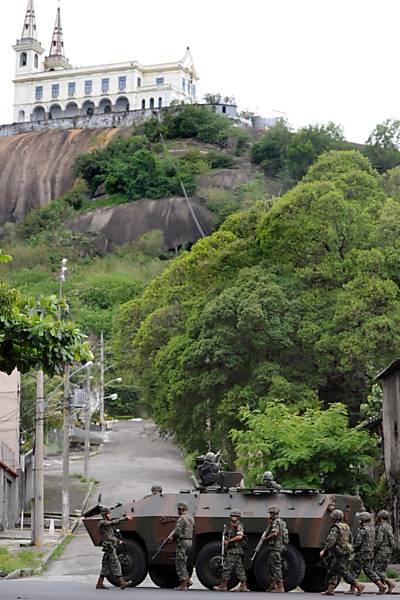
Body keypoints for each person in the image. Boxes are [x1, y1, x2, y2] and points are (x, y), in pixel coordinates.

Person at [320, 509, 365, 596]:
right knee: (333, 570)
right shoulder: (346, 526)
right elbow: (351, 538)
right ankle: (330, 590)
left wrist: (324, 550)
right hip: (345, 552)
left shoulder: (335, 527)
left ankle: (358, 586)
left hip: (339, 553)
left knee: (343, 571)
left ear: (334, 518)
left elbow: (331, 541)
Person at [96, 506, 134, 590]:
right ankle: (122, 582)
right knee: (116, 563)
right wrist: (125, 519)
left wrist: (117, 540)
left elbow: (111, 535)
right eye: (108, 513)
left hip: (111, 545)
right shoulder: (102, 523)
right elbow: (113, 523)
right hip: (109, 547)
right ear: (104, 515)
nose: (110, 515)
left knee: (106, 565)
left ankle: (100, 583)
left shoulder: (107, 523)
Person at [350, 512, 386, 594]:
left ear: (363, 520)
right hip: (369, 552)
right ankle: (381, 585)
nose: (359, 520)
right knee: (368, 570)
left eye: (360, 519)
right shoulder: (372, 529)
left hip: (361, 553)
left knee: (354, 569)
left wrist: (351, 548)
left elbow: (358, 543)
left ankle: (353, 588)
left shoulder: (363, 530)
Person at [213, 509, 248, 592]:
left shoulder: (238, 525)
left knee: (226, 567)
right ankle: (243, 585)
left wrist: (228, 541)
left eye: (235, 516)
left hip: (234, 550)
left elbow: (240, 536)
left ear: (238, 517)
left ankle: (223, 585)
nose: (234, 517)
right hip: (235, 550)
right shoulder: (231, 526)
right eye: (232, 516)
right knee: (239, 568)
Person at [171, 501, 195, 591]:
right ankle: (188, 580)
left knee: (179, 563)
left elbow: (177, 531)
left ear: (181, 509)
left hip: (182, 542)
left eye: (178, 509)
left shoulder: (181, 518)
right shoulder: (191, 518)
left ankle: (183, 584)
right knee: (184, 562)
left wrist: (172, 539)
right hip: (189, 542)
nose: (178, 511)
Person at [263, 506, 287, 593]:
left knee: (276, 567)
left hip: (276, 547)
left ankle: (280, 587)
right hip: (277, 547)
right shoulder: (281, 522)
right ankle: (273, 586)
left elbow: (275, 533)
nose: (269, 515)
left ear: (273, 514)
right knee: (271, 565)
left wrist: (265, 539)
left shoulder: (276, 522)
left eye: (270, 513)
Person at [374, 509, 396, 594]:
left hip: (382, 550)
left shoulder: (381, 526)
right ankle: (382, 589)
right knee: (382, 570)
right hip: (388, 550)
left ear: (380, 517)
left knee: (376, 569)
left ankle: (390, 583)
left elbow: (379, 540)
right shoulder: (389, 526)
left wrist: (374, 549)